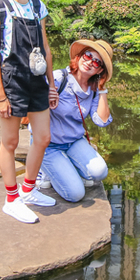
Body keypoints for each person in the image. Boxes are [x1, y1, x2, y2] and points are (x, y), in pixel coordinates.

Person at [0, 0, 59, 224]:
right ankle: (11, 199)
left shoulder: (37, 5)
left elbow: (46, 48)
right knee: (10, 142)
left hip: (37, 79)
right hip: (12, 80)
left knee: (43, 137)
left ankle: (28, 190)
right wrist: (1, 96)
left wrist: (51, 85)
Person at [33, 39, 114, 203]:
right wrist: (44, 99)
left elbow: (101, 121)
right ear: (79, 56)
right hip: (49, 144)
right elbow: (31, 102)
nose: (90, 62)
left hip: (74, 141)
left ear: (100, 70)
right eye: (88, 56)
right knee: (75, 194)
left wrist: (102, 89)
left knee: (100, 172)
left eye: (97, 62)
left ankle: (64, 167)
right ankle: (44, 169)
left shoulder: (93, 89)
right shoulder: (59, 78)